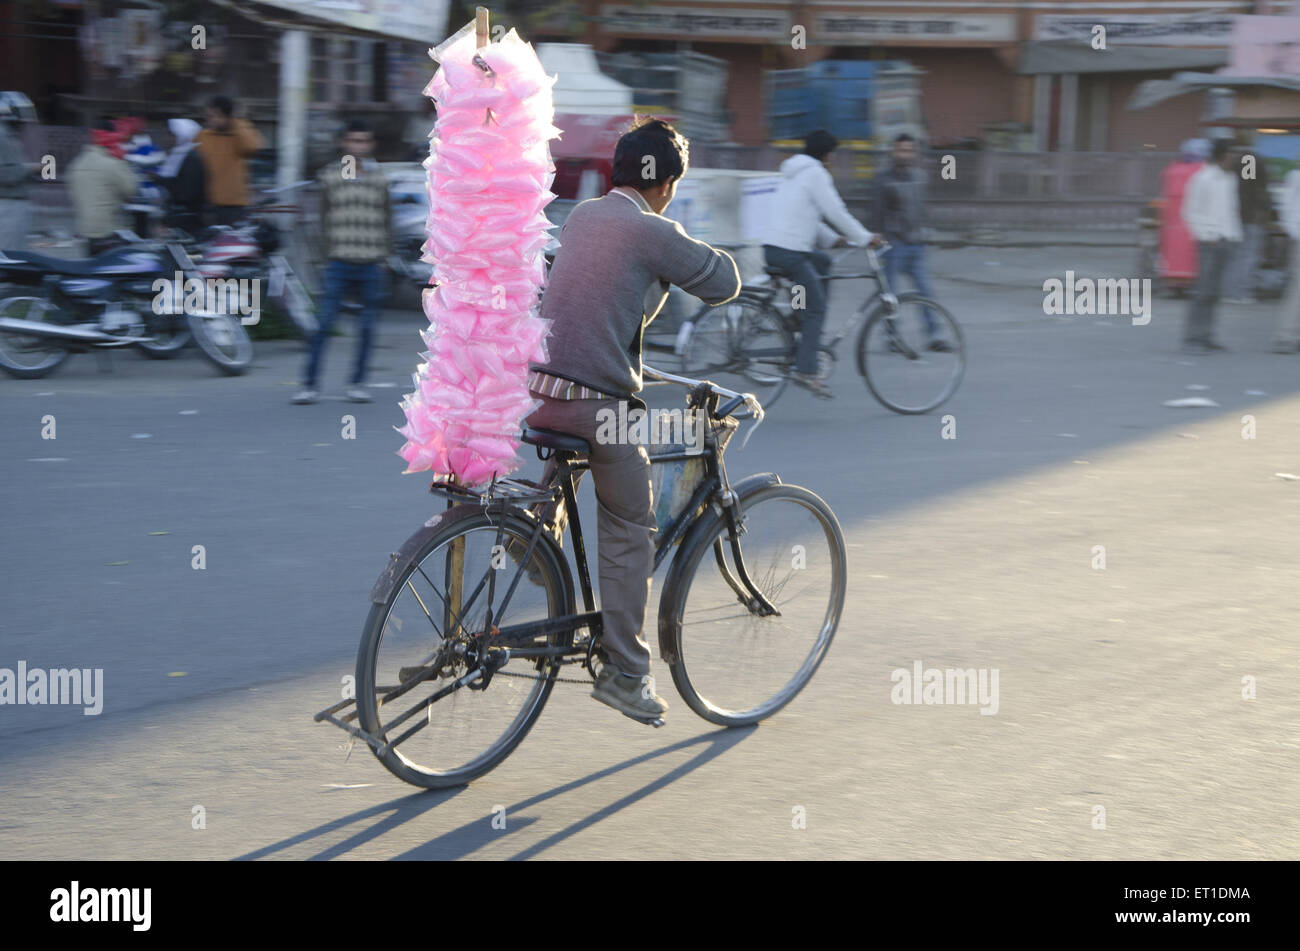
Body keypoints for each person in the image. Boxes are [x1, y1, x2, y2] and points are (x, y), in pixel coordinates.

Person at [526, 117, 740, 722]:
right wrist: (677, 240)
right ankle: (626, 673)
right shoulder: (651, 228)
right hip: (597, 406)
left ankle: (533, 538)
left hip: (540, 393)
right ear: (667, 182)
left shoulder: (583, 217)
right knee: (629, 525)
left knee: (581, 444)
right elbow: (725, 282)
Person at [761, 129, 879, 398]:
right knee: (818, 307)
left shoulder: (793, 173)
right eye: (833, 156)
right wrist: (865, 237)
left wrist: (832, 239)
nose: (834, 161)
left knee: (823, 262)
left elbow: (805, 215)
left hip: (774, 247)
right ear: (827, 155)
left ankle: (796, 317)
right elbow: (836, 211)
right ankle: (806, 368)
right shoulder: (816, 174)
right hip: (790, 251)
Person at [293, 119, 391, 405]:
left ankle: (357, 384)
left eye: (363, 141)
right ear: (344, 144)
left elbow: (387, 221)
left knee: (368, 327)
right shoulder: (330, 177)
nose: (358, 147)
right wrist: (323, 257)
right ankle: (309, 385)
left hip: (372, 263)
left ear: (370, 145)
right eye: (353, 141)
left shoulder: (380, 178)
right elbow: (320, 221)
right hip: (338, 262)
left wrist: (386, 256)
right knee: (323, 325)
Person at [868, 132, 951, 352]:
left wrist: (927, 234)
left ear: (914, 153)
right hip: (893, 247)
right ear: (893, 152)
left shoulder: (920, 177)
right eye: (901, 150)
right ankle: (892, 337)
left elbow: (923, 209)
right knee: (890, 297)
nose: (905, 154)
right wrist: (876, 242)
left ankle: (935, 336)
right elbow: (876, 213)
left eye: (909, 150)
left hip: (917, 244)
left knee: (926, 293)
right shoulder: (883, 179)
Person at [1181, 138, 1241, 353]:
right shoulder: (1203, 179)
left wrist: (1234, 236)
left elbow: (1231, 210)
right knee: (1203, 292)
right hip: (1209, 241)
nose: (1235, 158)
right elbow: (1190, 212)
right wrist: (1207, 235)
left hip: (1227, 239)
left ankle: (1207, 335)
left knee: (1215, 293)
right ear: (1223, 156)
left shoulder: (1230, 179)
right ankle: (1192, 338)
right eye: (1232, 154)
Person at [67, 117, 139, 256]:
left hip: (85, 231)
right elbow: (131, 189)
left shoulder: (77, 163)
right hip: (109, 232)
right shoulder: (112, 164)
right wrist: (123, 162)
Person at [196, 95, 263, 226]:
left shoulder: (240, 133)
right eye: (209, 116)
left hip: (234, 206)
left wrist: (237, 122)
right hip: (207, 205)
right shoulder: (204, 136)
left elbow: (253, 148)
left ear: (229, 117)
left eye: (216, 116)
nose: (211, 120)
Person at [1158, 139, 1210, 290]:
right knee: (1190, 252)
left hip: (1171, 218)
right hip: (1193, 218)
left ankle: (1172, 281)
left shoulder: (1172, 169)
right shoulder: (1202, 170)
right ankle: (1188, 281)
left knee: (1172, 249)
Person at [1224, 147, 1272, 304]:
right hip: (1251, 217)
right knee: (1248, 256)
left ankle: (1230, 291)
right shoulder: (1249, 159)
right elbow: (1252, 188)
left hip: (1235, 216)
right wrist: (1264, 209)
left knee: (1235, 256)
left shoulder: (1232, 160)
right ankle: (1242, 293)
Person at [156, 118, 206, 236]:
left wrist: (161, 181)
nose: (166, 139)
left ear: (182, 135)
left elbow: (186, 193)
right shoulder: (177, 155)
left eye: (171, 135)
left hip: (187, 220)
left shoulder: (191, 158)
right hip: (177, 217)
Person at [0, 91, 36, 250]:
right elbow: (4, 174)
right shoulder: (2, 135)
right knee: (8, 257)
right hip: (7, 204)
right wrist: (32, 168)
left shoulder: (7, 135)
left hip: (11, 203)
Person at [1270, 162, 1300, 353]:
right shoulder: (1296, 176)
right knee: (1297, 290)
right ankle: (1285, 336)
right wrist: (1296, 233)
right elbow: (1287, 208)